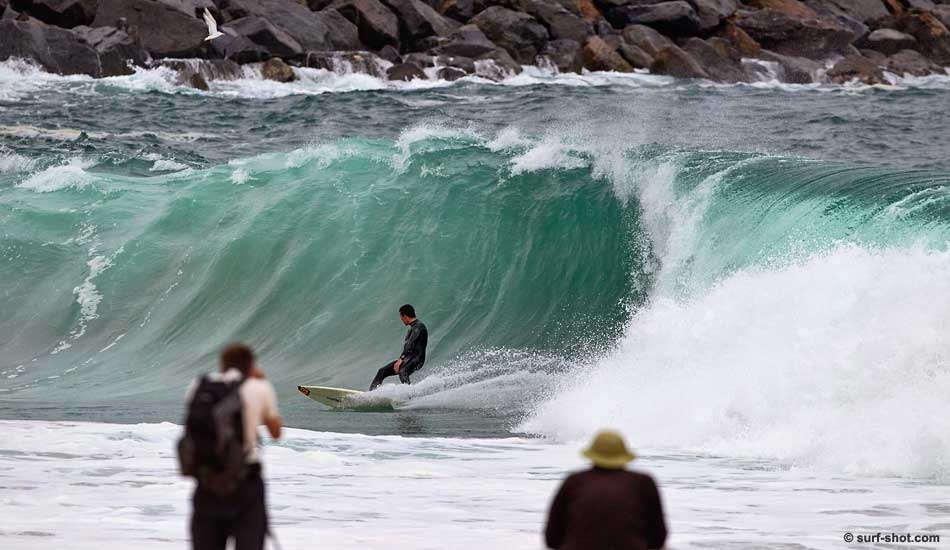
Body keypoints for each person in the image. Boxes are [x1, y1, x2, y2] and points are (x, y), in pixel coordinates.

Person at [186, 344, 283, 550]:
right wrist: (262, 383)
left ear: (222, 364)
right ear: (251, 365)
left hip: (208, 483)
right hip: (245, 484)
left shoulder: (199, 386)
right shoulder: (259, 387)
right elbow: (276, 432)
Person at [544, 430, 667, 550]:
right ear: (623, 455)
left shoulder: (574, 481)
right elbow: (658, 538)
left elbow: (551, 539)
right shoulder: (643, 482)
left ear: (592, 455)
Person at [369, 304, 428, 390]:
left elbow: (410, 344)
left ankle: (409, 394)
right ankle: (371, 393)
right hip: (409, 359)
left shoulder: (419, 326)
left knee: (403, 372)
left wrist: (401, 359)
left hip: (417, 359)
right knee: (382, 371)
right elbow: (408, 347)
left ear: (405, 316)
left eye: (401, 317)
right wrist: (403, 359)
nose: (401, 320)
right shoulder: (412, 328)